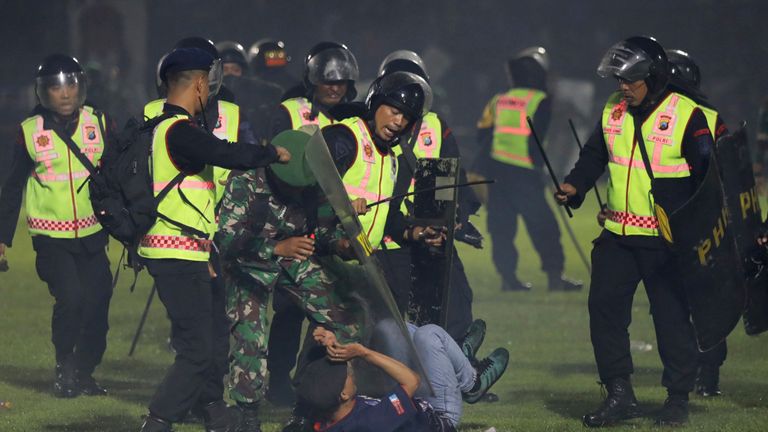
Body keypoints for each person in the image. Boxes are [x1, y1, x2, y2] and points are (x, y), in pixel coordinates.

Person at [555, 36, 713, 427]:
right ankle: (619, 395)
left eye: (630, 80)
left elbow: (709, 179)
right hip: (617, 236)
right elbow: (595, 153)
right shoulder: (614, 109)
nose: (622, 87)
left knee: (671, 319)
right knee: (604, 312)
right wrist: (575, 186)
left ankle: (677, 399)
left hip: (666, 241)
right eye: (619, 80)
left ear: (654, 77)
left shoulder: (686, 114)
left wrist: (698, 233)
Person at [137, 47, 289, 432]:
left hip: (192, 249)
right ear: (201, 84)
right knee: (196, 350)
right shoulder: (179, 131)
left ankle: (212, 410)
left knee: (211, 338)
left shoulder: (163, 126)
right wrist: (270, 153)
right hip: (174, 251)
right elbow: (224, 152)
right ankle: (158, 420)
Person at [215, 130, 367, 432]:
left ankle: (309, 407)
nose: (297, 192)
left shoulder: (313, 184)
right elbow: (227, 242)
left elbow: (320, 232)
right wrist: (275, 248)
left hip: (293, 260)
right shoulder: (244, 181)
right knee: (250, 334)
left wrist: (339, 244)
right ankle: (246, 413)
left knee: (345, 316)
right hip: (249, 262)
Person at [0, 54, 114, 398]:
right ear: (43, 93)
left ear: (81, 87)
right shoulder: (29, 132)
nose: (64, 94)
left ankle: (85, 371)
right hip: (51, 237)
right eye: (55, 87)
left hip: (93, 234)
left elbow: (117, 174)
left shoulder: (101, 123)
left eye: (70, 85)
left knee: (99, 302)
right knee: (72, 298)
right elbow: (12, 187)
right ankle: (65, 366)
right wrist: (2, 238)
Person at [266, 41, 361, 407]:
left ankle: (317, 382)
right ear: (313, 82)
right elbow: (274, 166)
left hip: (337, 226)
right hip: (294, 224)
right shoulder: (289, 112)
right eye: (327, 82)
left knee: (336, 310)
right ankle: (277, 379)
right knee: (290, 309)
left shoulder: (352, 118)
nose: (334, 88)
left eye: (341, 82)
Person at [376, 49, 481, 342]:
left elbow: (449, 184)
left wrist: (452, 219)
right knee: (385, 326)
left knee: (453, 311)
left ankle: (455, 381)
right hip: (382, 243)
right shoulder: (367, 127)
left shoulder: (435, 126)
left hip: (429, 237)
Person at [476, 47, 581, 292]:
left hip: (497, 174)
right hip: (525, 173)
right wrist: (538, 168)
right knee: (544, 226)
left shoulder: (497, 100)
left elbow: (482, 134)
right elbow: (538, 139)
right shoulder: (539, 100)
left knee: (501, 229)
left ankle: (508, 279)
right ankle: (555, 277)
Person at [298, 324, 509, 431]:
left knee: (392, 327)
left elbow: (320, 382)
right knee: (429, 334)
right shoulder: (371, 423)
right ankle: (472, 381)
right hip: (439, 415)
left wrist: (332, 344)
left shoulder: (324, 412)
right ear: (343, 394)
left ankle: (458, 358)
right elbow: (411, 381)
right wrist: (364, 353)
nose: (350, 369)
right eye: (346, 372)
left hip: (411, 402)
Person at [215, 40, 283, 145]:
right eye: (225, 70)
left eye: (235, 70)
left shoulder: (261, 102)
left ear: (243, 72)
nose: (230, 74)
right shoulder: (205, 100)